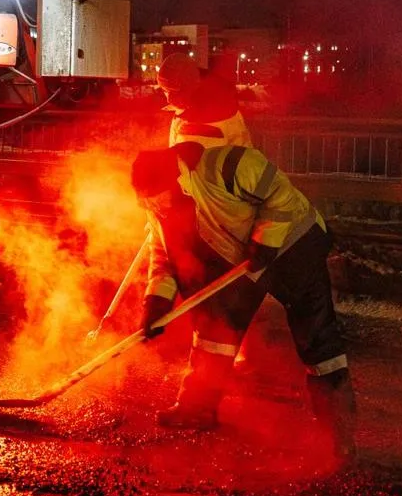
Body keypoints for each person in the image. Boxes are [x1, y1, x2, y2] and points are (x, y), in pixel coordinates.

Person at [131, 140, 355, 456]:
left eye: (159, 201)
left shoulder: (230, 165)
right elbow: (164, 256)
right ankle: (197, 407)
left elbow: (280, 194)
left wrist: (265, 241)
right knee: (216, 325)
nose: (157, 209)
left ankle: (336, 424)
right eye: (150, 205)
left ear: (177, 180)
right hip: (245, 258)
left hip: (295, 244)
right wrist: (156, 302)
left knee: (315, 332)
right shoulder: (162, 207)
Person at [159, 52, 251, 149]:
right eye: (165, 91)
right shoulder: (217, 99)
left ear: (188, 88)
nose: (168, 99)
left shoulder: (201, 122)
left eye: (172, 92)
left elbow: (189, 161)